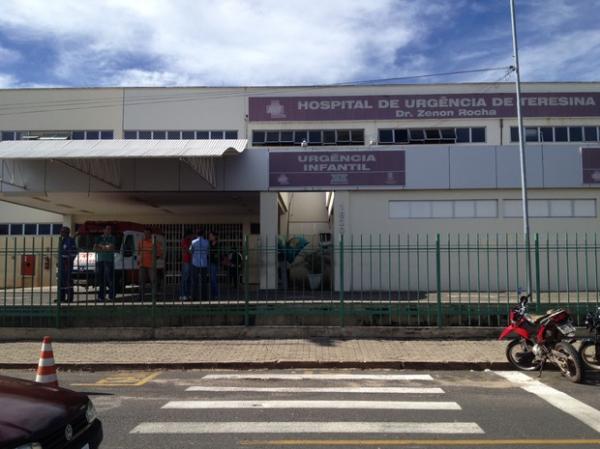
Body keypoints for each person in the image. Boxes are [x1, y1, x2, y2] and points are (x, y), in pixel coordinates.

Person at [137, 228, 163, 300]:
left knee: (153, 281)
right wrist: (138, 260)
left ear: (150, 234)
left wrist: (154, 258)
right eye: (144, 233)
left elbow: (160, 253)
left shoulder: (154, 242)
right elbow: (138, 252)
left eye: (147, 233)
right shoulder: (140, 242)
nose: (145, 235)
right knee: (141, 281)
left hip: (151, 265)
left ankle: (154, 297)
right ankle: (141, 297)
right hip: (142, 264)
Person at [93, 224, 115, 301]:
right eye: (108, 229)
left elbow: (111, 248)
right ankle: (101, 297)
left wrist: (101, 247)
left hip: (109, 260)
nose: (109, 230)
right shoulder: (99, 238)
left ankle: (111, 296)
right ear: (104, 230)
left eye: (110, 229)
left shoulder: (112, 238)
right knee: (101, 280)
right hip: (100, 260)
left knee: (110, 279)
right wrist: (105, 247)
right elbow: (95, 248)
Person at [58, 226, 77, 303]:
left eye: (62, 231)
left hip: (67, 264)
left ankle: (69, 298)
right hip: (62, 264)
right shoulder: (62, 240)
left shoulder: (70, 240)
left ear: (66, 232)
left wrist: (68, 260)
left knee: (68, 281)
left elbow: (73, 252)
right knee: (61, 281)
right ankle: (61, 298)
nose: (61, 233)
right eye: (61, 231)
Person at [190, 229, 209, 301]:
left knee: (195, 281)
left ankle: (194, 297)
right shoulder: (206, 242)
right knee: (204, 281)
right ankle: (204, 297)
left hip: (195, 263)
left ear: (197, 234)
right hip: (204, 263)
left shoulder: (193, 242)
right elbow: (208, 251)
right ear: (203, 234)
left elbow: (190, 250)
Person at [179, 229, 193, 300]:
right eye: (191, 235)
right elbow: (188, 250)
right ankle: (182, 294)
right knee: (185, 278)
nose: (192, 236)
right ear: (188, 235)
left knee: (189, 278)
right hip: (186, 261)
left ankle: (188, 294)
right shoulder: (184, 241)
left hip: (190, 261)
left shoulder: (190, 241)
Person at [208, 231, 221, 299]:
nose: (209, 237)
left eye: (211, 236)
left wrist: (215, 255)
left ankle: (215, 295)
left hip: (214, 263)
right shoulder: (208, 243)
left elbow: (218, 254)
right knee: (211, 279)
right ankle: (213, 295)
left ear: (214, 236)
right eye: (209, 236)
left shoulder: (218, 244)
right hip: (208, 262)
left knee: (213, 279)